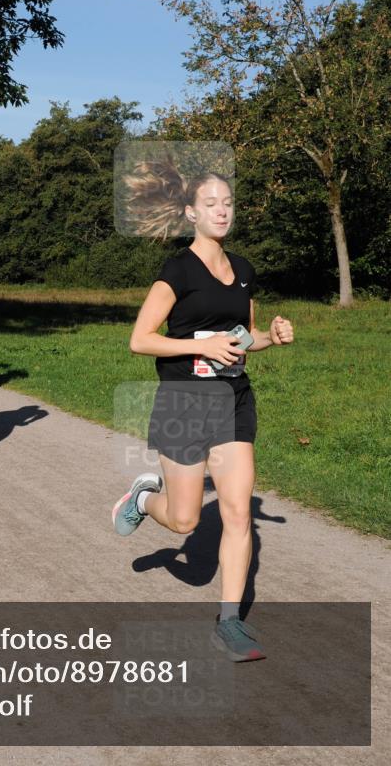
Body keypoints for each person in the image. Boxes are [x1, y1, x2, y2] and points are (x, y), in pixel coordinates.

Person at [111, 159, 294, 662]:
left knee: (238, 513)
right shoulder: (177, 270)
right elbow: (140, 340)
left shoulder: (244, 271)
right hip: (184, 403)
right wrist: (201, 346)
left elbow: (243, 339)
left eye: (228, 203)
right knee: (186, 521)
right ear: (191, 213)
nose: (222, 211)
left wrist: (270, 340)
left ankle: (229, 622)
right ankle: (145, 497)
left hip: (232, 401)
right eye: (210, 203)